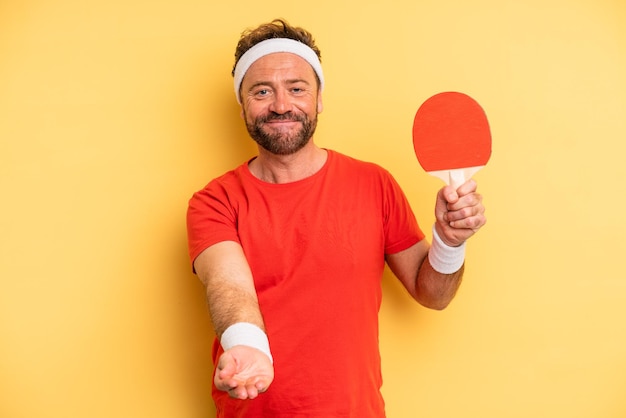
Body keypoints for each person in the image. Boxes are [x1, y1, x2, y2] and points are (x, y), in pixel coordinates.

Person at [186, 18, 486, 418]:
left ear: (319, 98)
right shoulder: (214, 201)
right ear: (242, 104)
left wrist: (450, 241)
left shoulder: (373, 184)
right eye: (262, 91)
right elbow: (228, 284)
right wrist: (245, 344)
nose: (280, 105)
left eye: (296, 89)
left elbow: (433, 294)